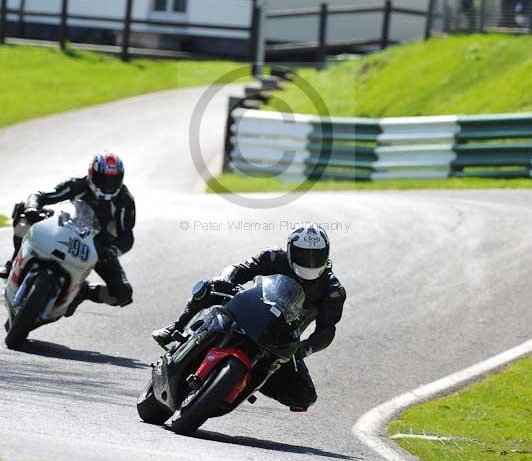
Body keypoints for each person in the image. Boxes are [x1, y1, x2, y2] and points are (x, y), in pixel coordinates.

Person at [152, 224, 345, 412]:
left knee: (304, 397)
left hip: (282, 338)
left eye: (316, 256)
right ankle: (176, 328)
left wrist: (305, 348)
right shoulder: (273, 257)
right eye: (303, 255)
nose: (309, 261)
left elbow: (327, 330)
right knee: (209, 287)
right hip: (249, 310)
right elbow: (241, 268)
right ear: (290, 250)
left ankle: (251, 381)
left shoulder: (333, 290)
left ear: (326, 254)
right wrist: (227, 280)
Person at [0, 152, 135, 311]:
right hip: (68, 229)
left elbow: (127, 236)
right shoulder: (78, 185)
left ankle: (83, 291)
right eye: (103, 179)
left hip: (98, 247)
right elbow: (40, 196)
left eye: (114, 180)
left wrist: (112, 251)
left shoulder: (125, 201)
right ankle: (14, 261)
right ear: (92, 174)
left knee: (122, 294)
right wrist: (32, 207)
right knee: (23, 210)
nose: (108, 184)